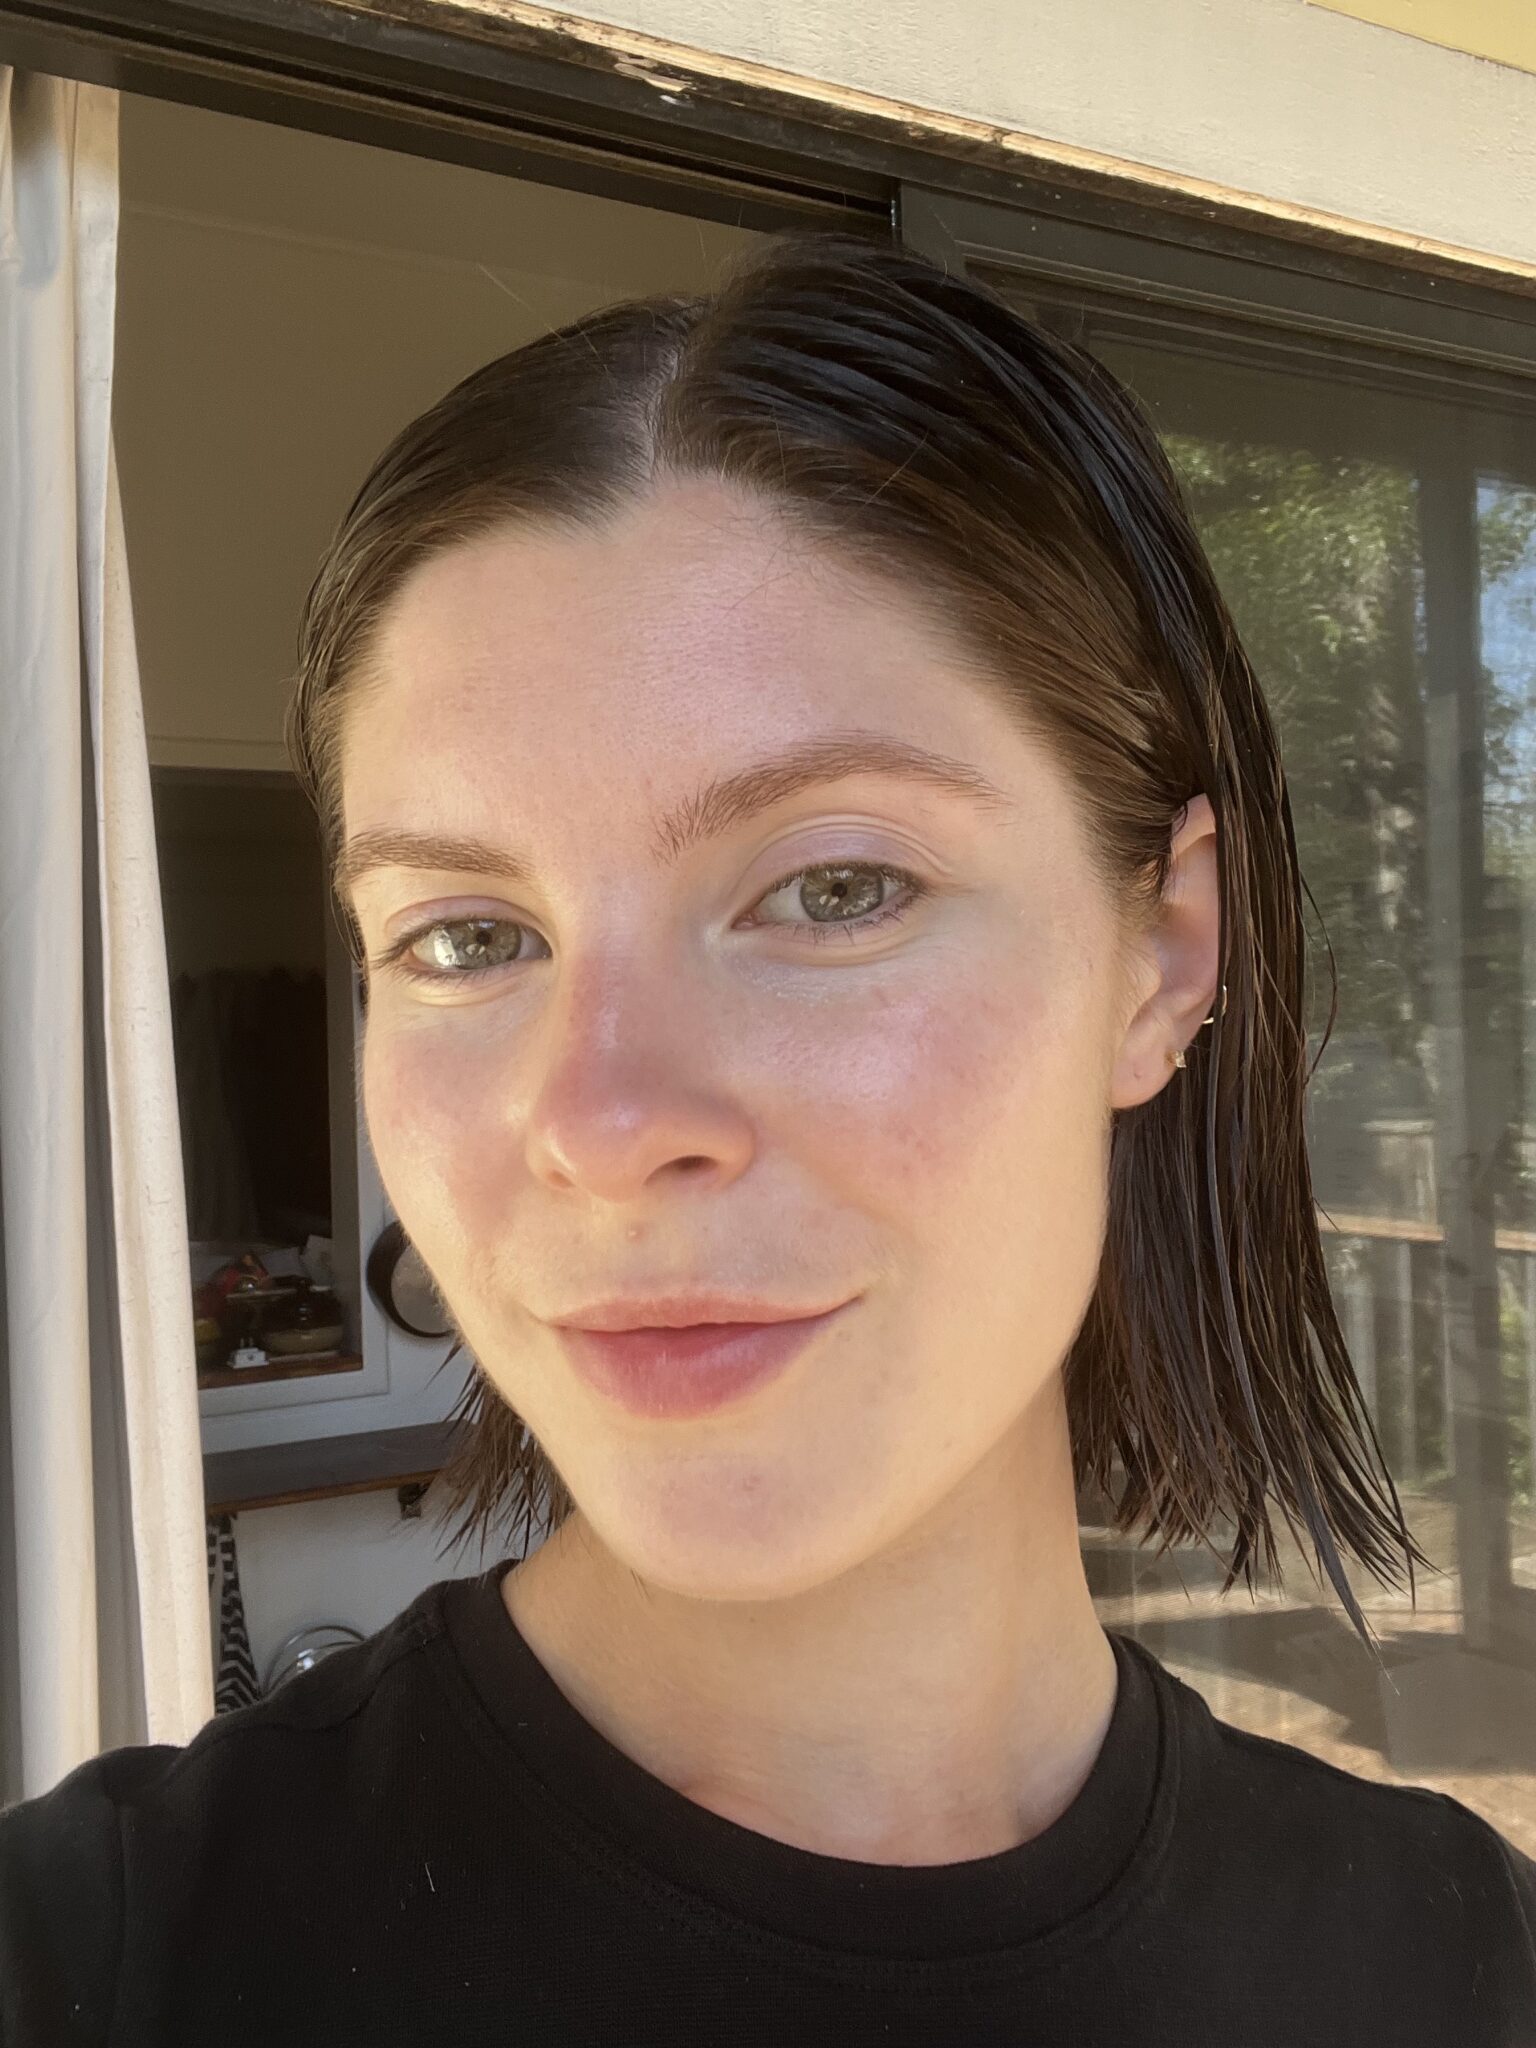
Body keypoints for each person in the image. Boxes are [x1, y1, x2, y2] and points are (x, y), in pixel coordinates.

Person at [3, 231, 1534, 2046]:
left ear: (1163, 951)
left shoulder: (1464, 1967)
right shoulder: (96, 1970)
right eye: (467, 937)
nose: (603, 1121)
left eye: (831, 887)